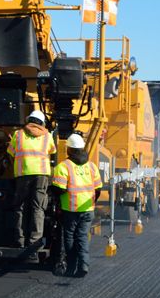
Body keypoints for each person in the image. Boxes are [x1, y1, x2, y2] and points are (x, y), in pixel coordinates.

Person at [49, 134, 102, 277]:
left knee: (70, 238)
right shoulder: (92, 166)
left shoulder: (63, 166)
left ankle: (71, 267)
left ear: (69, 149)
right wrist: (91, 202)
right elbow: (98, 189)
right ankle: (83, 265)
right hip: (88, 210)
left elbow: (59, 189)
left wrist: (54, 195)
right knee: (82, 237)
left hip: (70, 210)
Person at [7, 110, 57, 249]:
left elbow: (10, 152)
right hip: (41, 175)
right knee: (38, 208)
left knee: (20, 207)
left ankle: (20, 240)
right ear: (42, 123)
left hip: (23, 173)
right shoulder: (47, 136)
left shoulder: (18, 134)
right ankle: (35, 242)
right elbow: (53, 151)